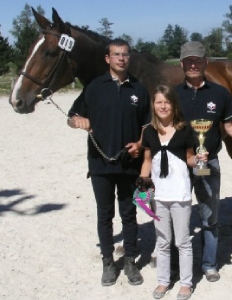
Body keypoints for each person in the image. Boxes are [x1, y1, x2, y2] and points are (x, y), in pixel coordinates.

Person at [175, 41, 232, 282]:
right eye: (188, 61)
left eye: (197, 60)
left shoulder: (220, 94)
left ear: (206, 62)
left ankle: (209, 264)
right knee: (179, 217)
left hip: (207, 163)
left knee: (209, 216)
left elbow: (230, 126)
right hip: (180, 166)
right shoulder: (173, 94)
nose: (193, 65)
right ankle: (179, 264)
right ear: (182, 64)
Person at [67, 38, 150, 287]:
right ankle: (107, 261)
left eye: (125, 54)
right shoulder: (93, 87)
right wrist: (76, 121)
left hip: (129, 164)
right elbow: (72, 115)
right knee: (105, 215)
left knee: (129, 213)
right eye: (116, 54)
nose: (121, 58)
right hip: (100, 164)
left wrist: (140, 143)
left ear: (129, 58)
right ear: (108, 58)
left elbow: (148, 125)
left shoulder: (139, 89)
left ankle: (130, 261)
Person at [139, 85, 206, 300]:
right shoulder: (148, 131)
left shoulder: (185, 130)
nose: (163, 106)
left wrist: (198, 160)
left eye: (167, 102)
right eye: (159, 102)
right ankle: (163, 281)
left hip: (180, 193)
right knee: (163, 241)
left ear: (174, 105)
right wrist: (142, 189)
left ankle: (186, 283)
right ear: (154, 105)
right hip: (159, 195)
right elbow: (147, 161)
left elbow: (188, 158)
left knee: (183, 241)